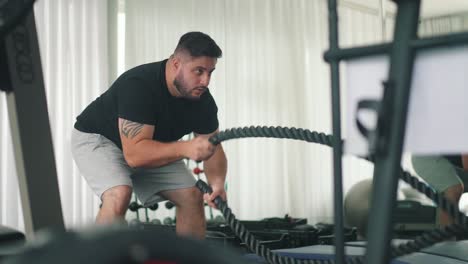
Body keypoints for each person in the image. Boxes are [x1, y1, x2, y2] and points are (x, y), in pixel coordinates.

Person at [71, 31, 227, 239]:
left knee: (192, 196)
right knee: (119, 194)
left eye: (210, 72)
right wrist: (185, 148)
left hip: (152, 146)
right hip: (100, 140)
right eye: (198, 71)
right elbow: (135, 156)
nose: (205, 81)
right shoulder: (139, 85)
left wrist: (216, 184)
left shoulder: (202, 100)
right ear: (176, 64)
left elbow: (213, 147)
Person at [411, 154, 468, 226]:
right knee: (453, 189)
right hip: (426, 156)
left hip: (448, 161)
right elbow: (467, 164)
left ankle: (450, 230)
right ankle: (446, 234)